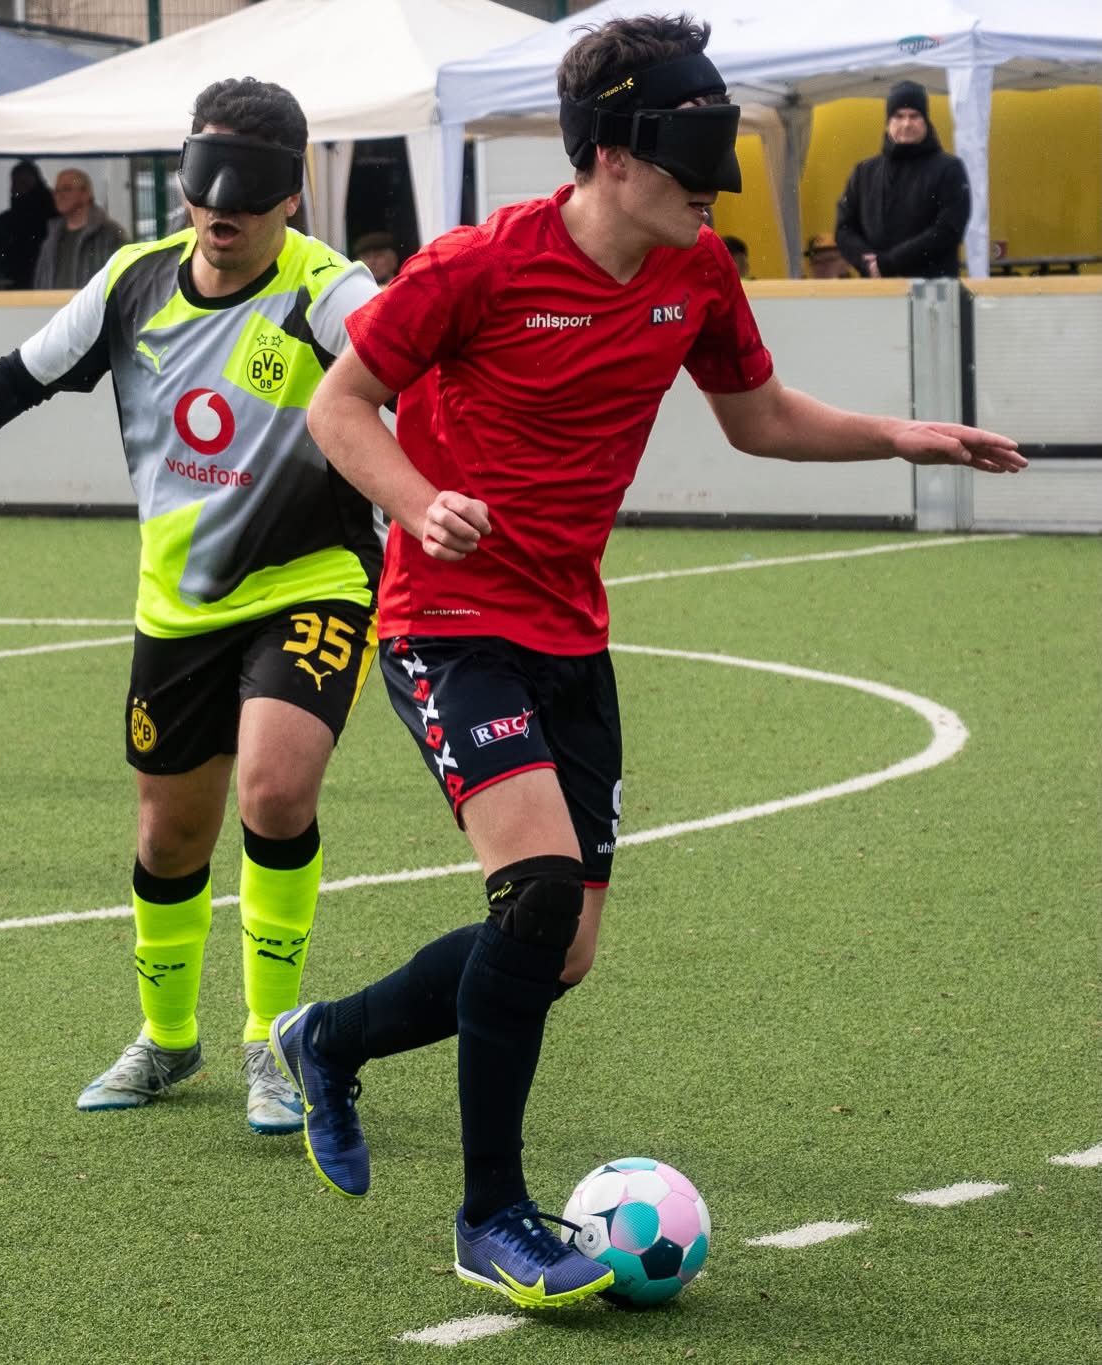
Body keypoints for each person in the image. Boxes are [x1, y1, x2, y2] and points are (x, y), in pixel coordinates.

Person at [268, 14, 1025, 1312]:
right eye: (693, 149)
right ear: (614, 153)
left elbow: (761, 419)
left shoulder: (700, 275)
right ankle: (489, 1216)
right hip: (445, 620)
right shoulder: (473, 266)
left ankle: (327, 1036)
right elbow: (339, 406)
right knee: (542, 891)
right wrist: (416, 498)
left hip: (573, 633)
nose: (716, 179)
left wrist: (905, 436)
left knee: (556, 950)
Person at [0, 79, 383, 1135]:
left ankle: (276, 1044)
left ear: (291, 196)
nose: (220, 214)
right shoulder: (134, 282)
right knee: (169, 832)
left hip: (312, 583)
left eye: (248, 194)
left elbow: (420, 378)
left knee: (274, 794)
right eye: (203, 187)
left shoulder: (333, 293)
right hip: (177, 605)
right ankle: (168, 1040)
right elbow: (22, 372)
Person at [835, 80, 970, 279]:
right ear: (888, 122)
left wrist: (890, 263)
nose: (906, 124)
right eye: (899, 116)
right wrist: (868, 263)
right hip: (878, 290)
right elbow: (844, 228)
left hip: (931, 291)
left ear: (925, 121)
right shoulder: (864, 172)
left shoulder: (949, 169)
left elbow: (948, 230)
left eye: (914, 116)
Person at [32, 168, 129, 290]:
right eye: (56, 191)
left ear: (86, 194)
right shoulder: (51, 238)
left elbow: (123, 282)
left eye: (66, 189)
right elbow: (40, 284)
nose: (59, 196)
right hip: (53, 308)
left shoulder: (110, 234)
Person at [0, 160, 57, 289]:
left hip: (45, 291)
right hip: (11, 294)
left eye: (25, 184)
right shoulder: (1, 223)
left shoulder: (55, 222)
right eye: (16, 184)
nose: (20, 189)